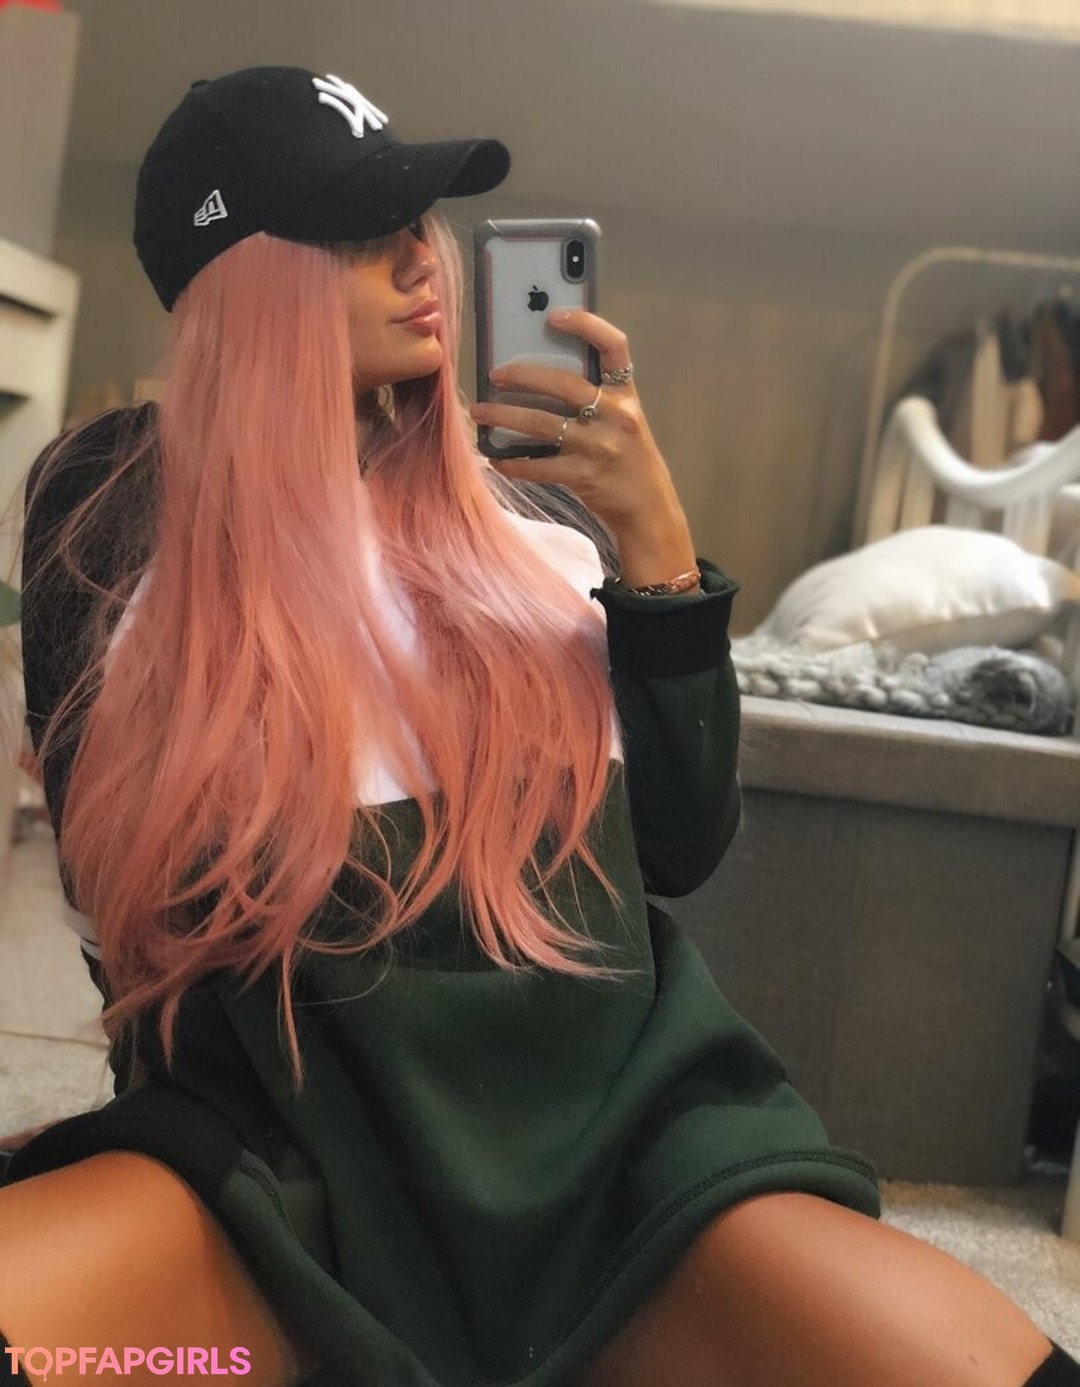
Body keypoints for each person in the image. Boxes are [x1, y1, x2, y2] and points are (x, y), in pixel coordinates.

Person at [0, 64, 1075, 1387]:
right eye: (360, 230)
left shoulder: (546, 520)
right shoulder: (115, 514)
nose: (422, 259)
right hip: (275, 1177)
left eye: (419, 219)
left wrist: (659, 554)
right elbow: (126, 924)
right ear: (244, 278)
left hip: (629, 1175)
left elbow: (680, 844)